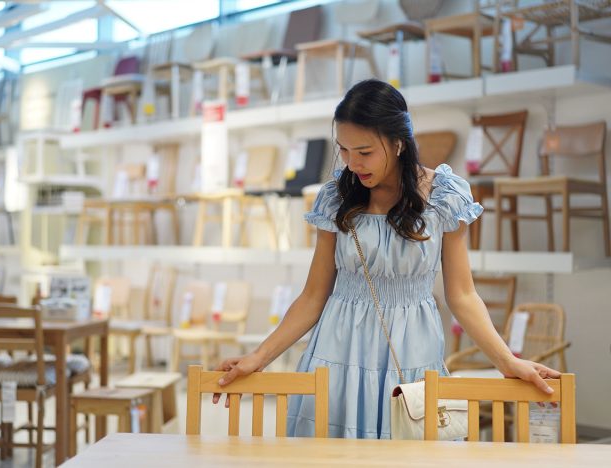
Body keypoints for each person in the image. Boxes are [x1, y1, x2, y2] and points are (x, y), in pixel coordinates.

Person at [213, 79, 560, 439]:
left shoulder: (445, 195)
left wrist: (507, 362)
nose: (351, 164)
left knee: (411, 448)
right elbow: (314, 295)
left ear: (398, 143)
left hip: (410, 352)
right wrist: (259, 356)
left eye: (364, 152)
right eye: (344, 150)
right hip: (338, 349)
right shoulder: (336, 197)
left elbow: (462, 295)